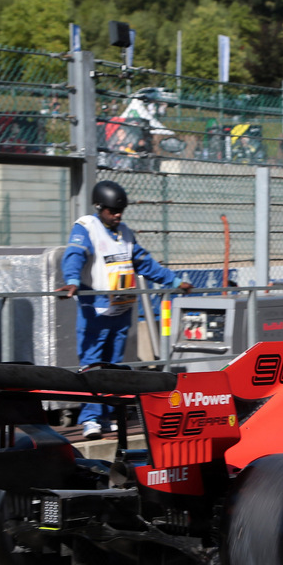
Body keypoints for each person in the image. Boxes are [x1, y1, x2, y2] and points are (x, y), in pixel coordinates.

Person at [56, 180, 192, 439]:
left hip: (121, 311)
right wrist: (72, 280)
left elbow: (144, 262)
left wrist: (172, 281)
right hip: (95, 310)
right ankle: (91, 419)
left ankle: (108, 415)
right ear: (99, 207)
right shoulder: (86, 228)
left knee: (114, 367)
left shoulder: (125, 232)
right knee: (92, 364)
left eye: (120, 211)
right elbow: (75, 255)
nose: (117, 215)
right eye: (111, 211)